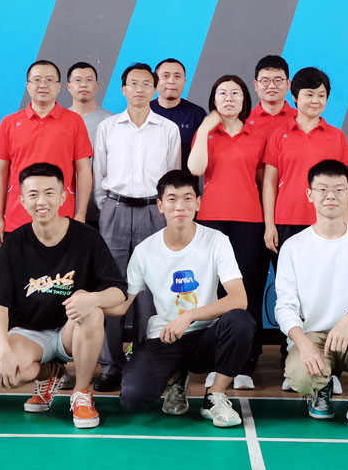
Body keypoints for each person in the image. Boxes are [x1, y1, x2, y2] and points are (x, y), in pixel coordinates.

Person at [0, 163, 126, 429]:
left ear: (63, 197)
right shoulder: (14, 243)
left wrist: (93, 299)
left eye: (49, 193)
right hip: (30, 332)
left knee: (93, 311)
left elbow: (118, 292)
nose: (42, 201)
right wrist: (2, 348)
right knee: (8, 374)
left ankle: (82, 393)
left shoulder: (87, 238)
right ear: (22, 201)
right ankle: (51, 374)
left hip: (70, 331)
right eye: (33, 194)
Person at [112, 170, 254, 427]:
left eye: (188, 198)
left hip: (206, 337)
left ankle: (214, 396)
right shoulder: (145, 251)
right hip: (165, 337)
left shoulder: (216, 241)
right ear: (160, 205)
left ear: (198, 203)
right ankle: (176, 378)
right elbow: (123, 304)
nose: (180, 206)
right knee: (133, 397)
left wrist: (189, 316)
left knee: (240, 321)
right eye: (172, 199)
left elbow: (238, 298)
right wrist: (89, 303)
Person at [275, 160, 348, 433]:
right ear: (310, 194)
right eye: (322, 189)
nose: (331, 195)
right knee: (300, 376)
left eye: (339, 189)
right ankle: (322, 388)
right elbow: (285, 306)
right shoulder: (294, 247)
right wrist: (303, 345)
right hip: (314, 337)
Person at [93, 63, 181, 391]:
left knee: (150, 290)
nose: (140, 89)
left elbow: (172, 175)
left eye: (146, 84)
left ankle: (146, 362)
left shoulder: (168, 129)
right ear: (123, 89)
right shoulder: (108, 127)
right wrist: (108, 207)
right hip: (115, 209)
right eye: (133, 83)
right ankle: (110, 365)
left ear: (154, 90)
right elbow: (99, 174)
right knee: (113, 287)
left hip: (154, 212)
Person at [187, 75, 266, 389]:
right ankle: (217, 361)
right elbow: (195, 169)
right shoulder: (206, 132)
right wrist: (206, 127)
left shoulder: (257, 134)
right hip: (211, 221)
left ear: (245, 99)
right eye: (222, 93)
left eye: (235, 93)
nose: (229, 98)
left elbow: (263, 180)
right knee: (213, 291)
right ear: (214, 100)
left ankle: (245, 363)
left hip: (249, 220)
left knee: (248, 290)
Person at [0, 60, 93, 244]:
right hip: (18, 218)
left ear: (59, 87)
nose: (43, 85)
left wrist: (81, 214)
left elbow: (84, 169)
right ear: (28, 86)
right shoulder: (9, 123)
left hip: (62, 217)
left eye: (49, 80)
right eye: (37, 80)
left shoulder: (74, 121)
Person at [263, 67, 348, 252]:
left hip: (327, 219)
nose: (315, 101)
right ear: (295, 97)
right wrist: (269, 225)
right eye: (309, 94)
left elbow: (344, 185)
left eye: (321, 95)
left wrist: (346, 223)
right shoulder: (279, 136)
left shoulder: (337, 136)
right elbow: (270, 183)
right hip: (286, 220)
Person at [67, 61, 113, 231]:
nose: (83, 84)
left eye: (89, 80)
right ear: (68, 86)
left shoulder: (111, 122)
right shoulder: (58, 120)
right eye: (78, 80)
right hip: (63, 206)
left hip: (100, 208)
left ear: (97, 85)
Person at [151, 58, 207, 171]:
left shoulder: (197, 115)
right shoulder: (143, 112)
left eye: (177, 76)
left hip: (184, 180)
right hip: (148, 181)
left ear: (184, 82)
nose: (171, 81)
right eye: (166, 76)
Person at [247, 54, 295, 141]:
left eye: (278, 80)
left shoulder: (300, 119)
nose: (271, 86)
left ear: (288, 84)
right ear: (256, 85)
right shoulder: (244, 121)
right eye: (265, 81)